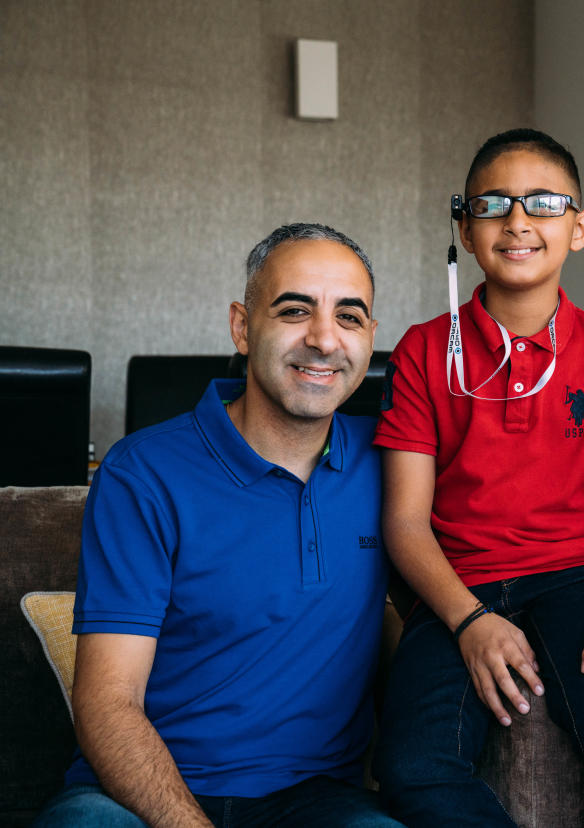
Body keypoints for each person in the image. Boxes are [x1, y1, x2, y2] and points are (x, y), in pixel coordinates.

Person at [33, 224, 401, 828]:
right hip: (139, 793)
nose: (324, 338)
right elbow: (107, 702)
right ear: (241, 326)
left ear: (369, 339)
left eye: (350, 317)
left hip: (318, 801)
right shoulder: (143, 471)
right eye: (295, 309)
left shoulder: (391, 465)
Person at [372, 128, 584, 827]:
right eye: (493, 204)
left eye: (543, 203)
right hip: (459, 582)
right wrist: (469, 621)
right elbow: (405, 521)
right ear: (464, 227)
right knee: (412, 766)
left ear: (579, 227)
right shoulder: (423, 352)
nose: (517, 221)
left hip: (576, 576)